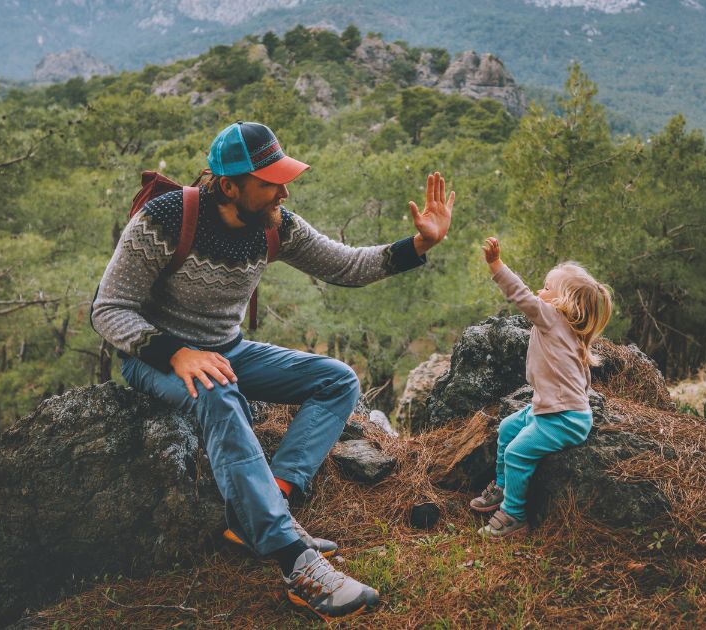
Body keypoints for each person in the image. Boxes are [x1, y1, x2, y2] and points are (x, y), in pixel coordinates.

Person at [91, 121, 454, 620]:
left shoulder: (275, 225)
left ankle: (269, 502)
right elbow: (109, 309)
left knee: (337, 379)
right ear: (228, 185)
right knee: (218, 393)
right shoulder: (166, 220)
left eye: (283, 179)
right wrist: (176, 353)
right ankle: (295, 560)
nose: (283, 190)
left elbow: (347, 266)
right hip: (153, 360)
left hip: (227, 349)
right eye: (270, 181)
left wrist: (418, 245)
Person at [469, 237, 612, 537]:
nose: (540, 291)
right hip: (550, 410)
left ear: (564, 301)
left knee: (518, 452)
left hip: (564, 418)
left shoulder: (551, 318)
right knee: (508, 428)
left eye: (547, 288)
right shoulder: (569, 330)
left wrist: (497, 266)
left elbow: (521, 296)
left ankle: (514, 516)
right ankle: (503, 485)